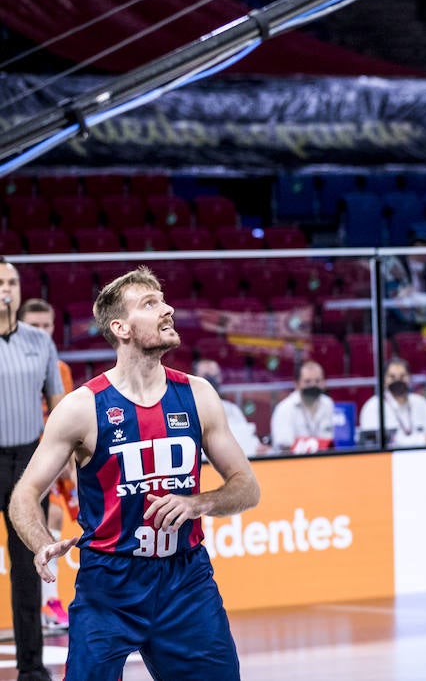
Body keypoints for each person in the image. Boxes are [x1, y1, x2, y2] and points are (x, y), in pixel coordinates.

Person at [9, 267, 259, 681]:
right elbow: (24, 494)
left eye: (163, 300)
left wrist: (199, 503)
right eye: (150, 303)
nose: (167, 309)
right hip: (109, 583)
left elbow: (247, 487)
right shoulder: (81, 407)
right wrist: (41, 542)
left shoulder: (198, 395)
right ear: (120, 328)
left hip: (185, 580)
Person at [0, 262, 66, 681]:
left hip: (27, 462)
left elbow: (58, 406)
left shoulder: (40, 342)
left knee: (27, 567)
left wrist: (65, 461)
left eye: (11, 281)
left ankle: (32, 669)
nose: (6, 288)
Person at [16, 297, 77, 633]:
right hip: (17, 456)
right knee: (42, 520)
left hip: (50, 457)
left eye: (46, 325)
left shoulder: (61, 369)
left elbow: (63, 416)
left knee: (59, 518)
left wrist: (67, 457)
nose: (41, 331)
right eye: (34, 325)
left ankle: (51, 602)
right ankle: (45, 604)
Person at [359, 358, 426, 447]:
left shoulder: (419, 401)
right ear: (384, 381)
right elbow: (375, 443)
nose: (398, 381)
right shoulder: (373, 406)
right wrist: (424, 439)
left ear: (410, 378)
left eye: (402, 376)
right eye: (392, 377)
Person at [193, 359, 262, 457]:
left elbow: (248, 437)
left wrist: (257, 447)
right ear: (195, 379)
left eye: (215, 376)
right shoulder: (187, 410)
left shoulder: (232, 409)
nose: (211, 380)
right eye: (206, 376)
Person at [269, 359, 336, 453]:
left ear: (324, 383)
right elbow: (284, 447)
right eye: (307, 381)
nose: (313, 385)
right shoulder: (284, 409)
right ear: (296, 384)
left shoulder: (328, 404)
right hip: (294, 460)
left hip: (327, 459)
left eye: (317, 381)